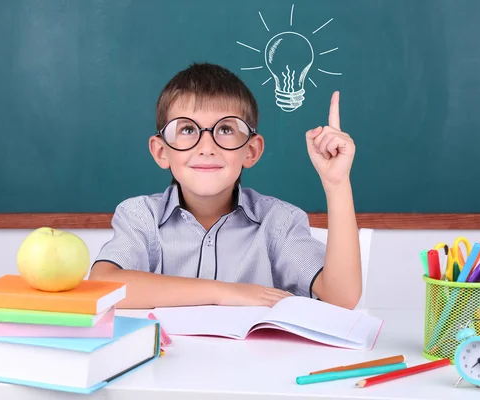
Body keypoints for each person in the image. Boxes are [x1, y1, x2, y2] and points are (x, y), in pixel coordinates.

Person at [89, 62, 361, 310]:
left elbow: (341, 298)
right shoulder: (140, 216)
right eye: (186, 130)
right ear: (161, 152)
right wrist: (224, 292)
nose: (206, 148)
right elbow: (103, 287)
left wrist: (336, 183)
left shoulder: (279, 222)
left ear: (251, 151)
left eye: (226, 129)